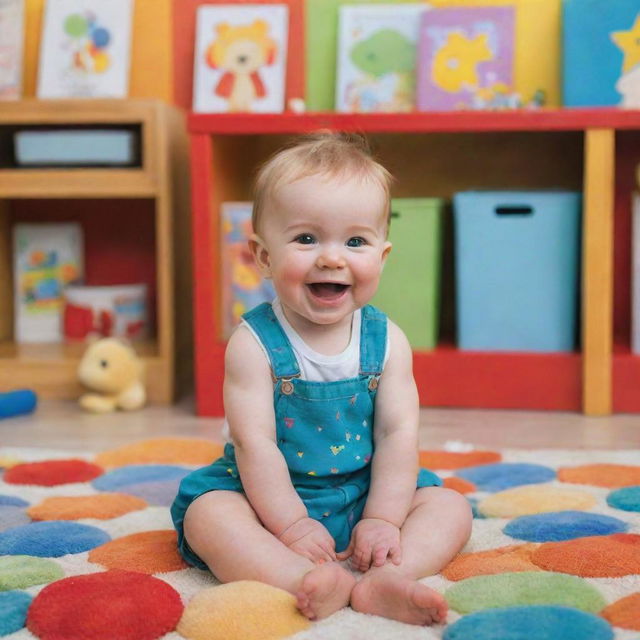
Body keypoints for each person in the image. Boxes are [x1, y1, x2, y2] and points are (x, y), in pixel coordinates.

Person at [171, 132, 473, 626]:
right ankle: (299, 578)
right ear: (264, 257)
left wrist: (382, 519)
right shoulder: (252, 345)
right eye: (306, 239)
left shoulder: (387, 340)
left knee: (448, 508)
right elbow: (255, 444)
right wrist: (289, 526)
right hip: (265, 496)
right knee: (209, 517)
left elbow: (397, 435)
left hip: (367, 490)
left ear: (382, 255)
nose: (332, 258)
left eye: (355, 241)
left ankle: (388, 577)